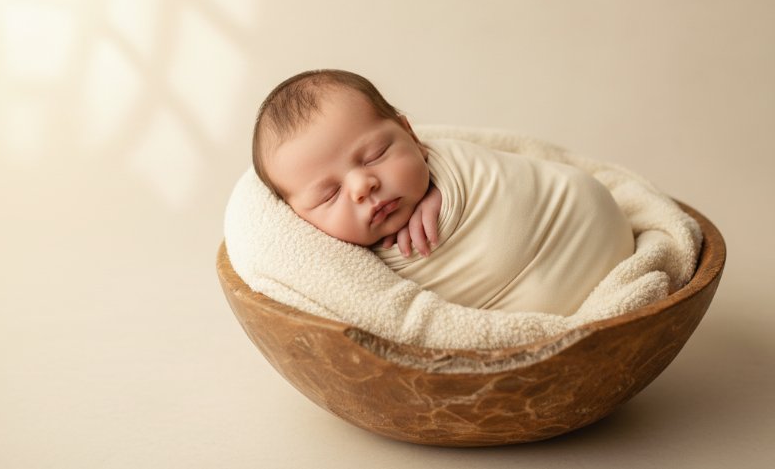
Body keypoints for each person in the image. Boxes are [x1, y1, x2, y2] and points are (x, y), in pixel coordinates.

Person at [252, 69, 634, 315]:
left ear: (411, 135)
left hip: (581, 216)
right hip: (537, 304)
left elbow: (474, 169)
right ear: (297, 218)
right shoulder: (330, 265)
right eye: (328, 195)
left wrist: (442, 189)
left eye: (376, 154)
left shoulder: (451, 165)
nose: (361, 186)